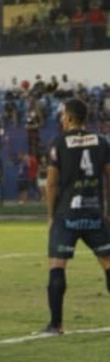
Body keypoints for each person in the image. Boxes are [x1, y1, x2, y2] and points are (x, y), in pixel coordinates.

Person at [42, 99, 110, 335]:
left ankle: (56, 324)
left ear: (69, 118)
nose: (61, 119)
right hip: (94, 211)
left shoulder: (59, 143)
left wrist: (51, 216)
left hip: (67, 213)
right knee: (108, 262)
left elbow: (51, 184)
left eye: (63, 116)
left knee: (57, 265)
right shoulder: (102, 141)